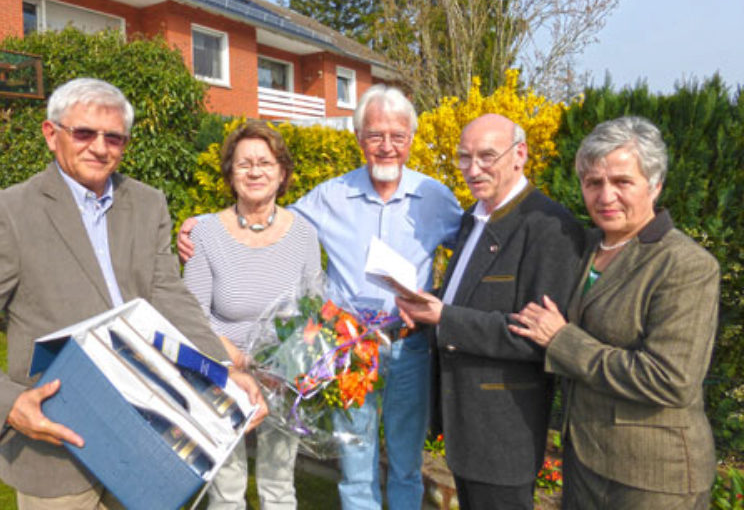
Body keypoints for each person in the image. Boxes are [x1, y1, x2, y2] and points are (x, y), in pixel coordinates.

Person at [0, 78, 266, 510]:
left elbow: (168, 294)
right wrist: (5, 403)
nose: (100, 147)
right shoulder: (10, 213)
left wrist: (222, 369)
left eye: (113, 137)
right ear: (50, 134)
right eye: (83, 133)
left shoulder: (148, 204)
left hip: (151, 441)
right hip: (58, 446)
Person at [179, 85, 463, 510]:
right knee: (356, 465)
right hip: (351, 353)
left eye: (397, 136)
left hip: (409, 348)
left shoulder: (436, 198)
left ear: (411, 138)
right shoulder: (330, 197)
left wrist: (443, 303)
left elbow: (473, 251)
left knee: (406, 464)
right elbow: (265, 215)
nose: (386, 146)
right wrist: (197, 223)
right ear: (359, 139)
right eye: (375, 135)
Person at [510, 116, 718, 509]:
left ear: (655, 185)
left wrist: (562, 340)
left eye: (622, 182)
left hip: (653, 478)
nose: (605, 196)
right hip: (585, 461)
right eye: (593, 182)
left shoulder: (685, 264)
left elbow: (670, 379)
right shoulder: (582, 248)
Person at [396, 114, 585, 510]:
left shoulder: (549, 226)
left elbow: (536, 336)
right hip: (467, 422)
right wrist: (422, 307)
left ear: (520, 155)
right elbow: (470, 299)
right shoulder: (474, 218)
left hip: (504, 430)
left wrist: (443, 317)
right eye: (464, 157)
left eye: (486, 156)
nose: (472, 169)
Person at [183, 121, 321, 510]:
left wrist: (285, 364)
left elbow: (311, 308)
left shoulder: (305, 234)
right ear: (230, 173)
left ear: (282, 173)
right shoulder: (204, 233)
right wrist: (240, 362)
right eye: (244, 164)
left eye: (265, 162)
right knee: (227, 489)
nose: (255, 171)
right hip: (220, 370)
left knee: (279, 486)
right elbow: (191, 314)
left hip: (284, 376)